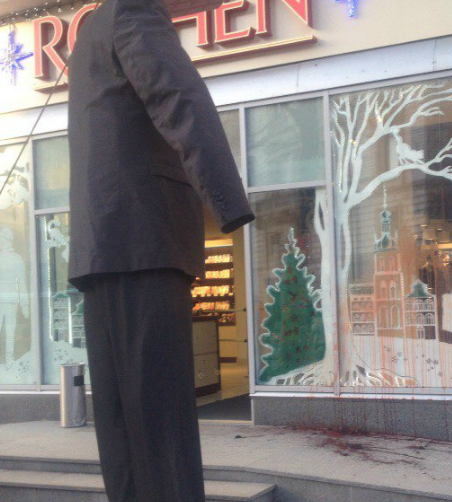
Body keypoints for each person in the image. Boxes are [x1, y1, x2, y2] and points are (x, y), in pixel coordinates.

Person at [67, 0, 254, 501]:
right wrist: (227, 202)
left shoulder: (90, 31)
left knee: (124, 434)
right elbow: (180, 99)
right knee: (163, 430)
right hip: (146, 240)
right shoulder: (135, 11)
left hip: (102, 247)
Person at [0, 227, 29, 370]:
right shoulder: (12, 258)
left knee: (10, 333)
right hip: (4, 300)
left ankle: (9, 360)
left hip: (10, 301)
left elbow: (22, 283)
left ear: (7, 240)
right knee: (7, 332)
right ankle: (8, 360)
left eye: (1, 238)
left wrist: (25, 305)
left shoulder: (17, 259)